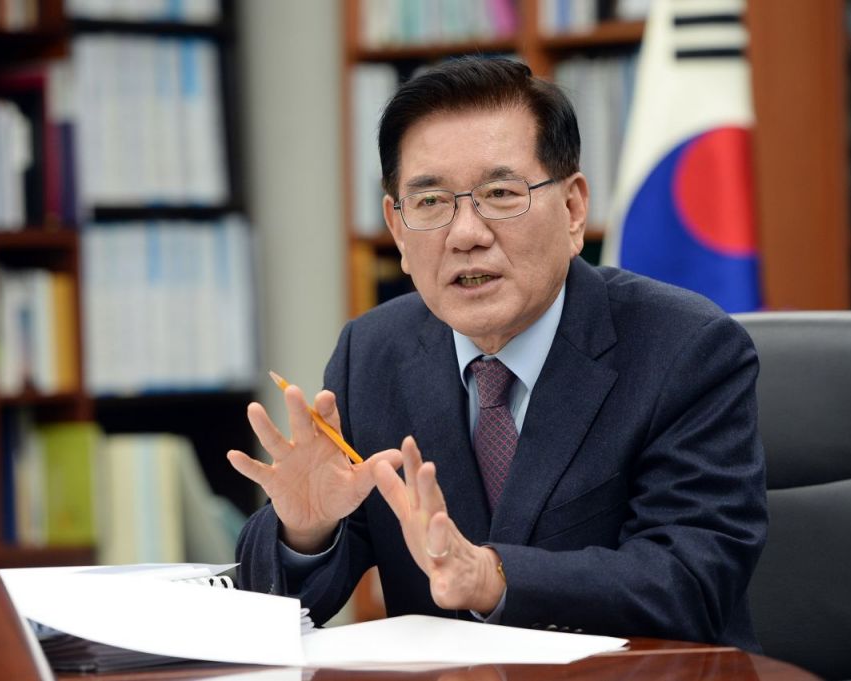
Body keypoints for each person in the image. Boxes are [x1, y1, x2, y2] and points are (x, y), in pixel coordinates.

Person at [228, 56, 767, 650]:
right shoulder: (372, 355)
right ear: (398, 229)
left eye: (501, 194)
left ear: (573, 209)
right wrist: (306, 534)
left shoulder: (685, 347)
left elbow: (691, 580)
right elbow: (286, 610)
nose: (466, 234)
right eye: (430, 203)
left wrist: (494, 578)